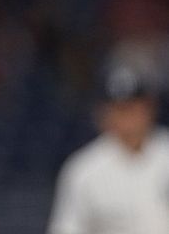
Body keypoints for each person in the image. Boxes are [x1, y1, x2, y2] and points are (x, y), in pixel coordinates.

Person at [47, 64, 169, 234]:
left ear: (150, 107)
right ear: (104, 113)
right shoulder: (84, 169)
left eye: (134, 106)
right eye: (120, 109)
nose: (129, 117)